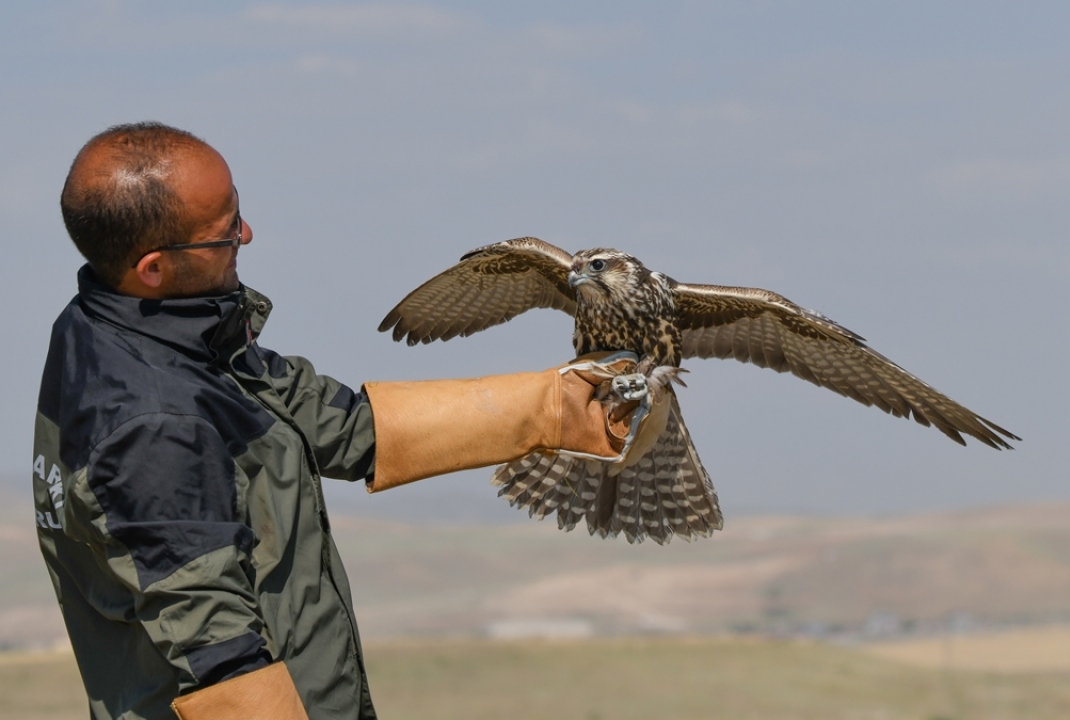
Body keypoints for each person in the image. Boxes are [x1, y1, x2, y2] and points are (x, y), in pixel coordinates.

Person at [32, 122, 638, 720]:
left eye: (237, 210)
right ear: (154, 267)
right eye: (224, 234)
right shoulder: (152, 427)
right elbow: (219, 658)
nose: (247, 233)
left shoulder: (135, 328)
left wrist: (567, 406)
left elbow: (345, 429)